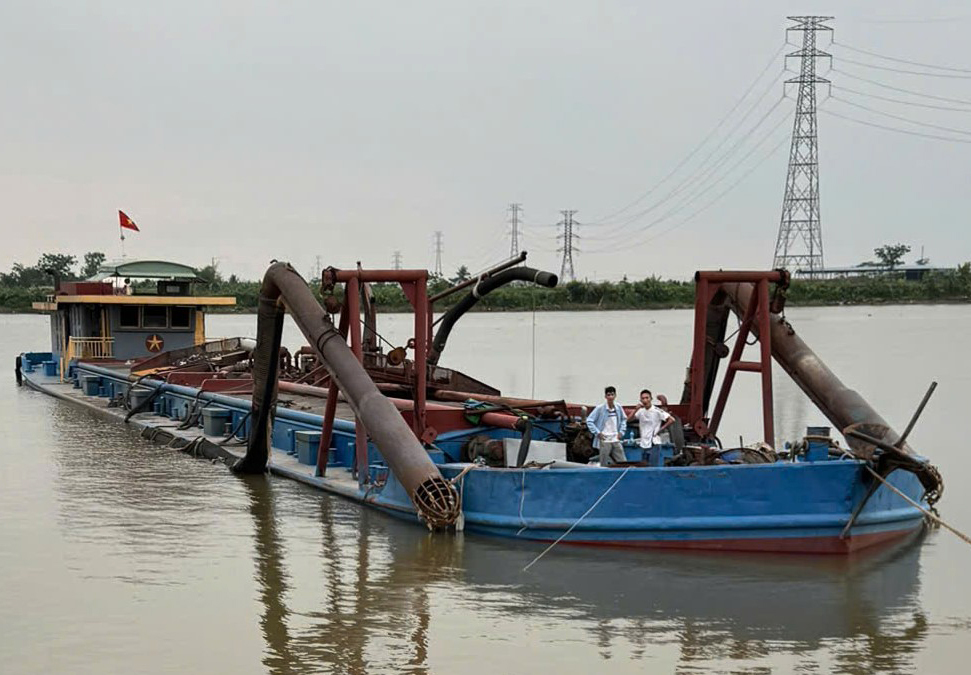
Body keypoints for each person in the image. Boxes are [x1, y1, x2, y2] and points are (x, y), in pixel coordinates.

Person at [586, 386, 627, 466]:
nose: (610, 397)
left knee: (622, 462)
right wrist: (597, 433)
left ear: (615, 395)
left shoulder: (618, 408)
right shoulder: (600, 408)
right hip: (605, 439)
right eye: (608, 395)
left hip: (615, 438)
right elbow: (589, 420)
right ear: (605, 396)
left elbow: (624, 419)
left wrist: (621, 432)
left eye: (612, 394)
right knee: (604, 462)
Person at [627, 389, 674, 456]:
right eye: (643, 398)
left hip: (654, 442)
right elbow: (628, 420)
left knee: (653, 464)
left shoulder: (656, 410)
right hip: (643, 443)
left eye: (647, 398)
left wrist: (660, 430)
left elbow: (671, 419)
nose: (645, 400)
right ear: (641, 400)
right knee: (644, 464)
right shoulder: (640, 411)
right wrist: (636, 409)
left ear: (651, 399)